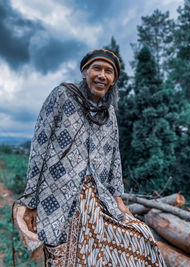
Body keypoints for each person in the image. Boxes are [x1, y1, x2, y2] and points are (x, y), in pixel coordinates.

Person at [16, 49, 166, 266]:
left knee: (141, 238)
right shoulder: (62, 95)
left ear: (113, 80)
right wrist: (30, 200)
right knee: (62, 257)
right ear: (85, 72)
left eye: (108, 71)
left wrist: (118, 201)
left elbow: (115, 158)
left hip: (97, 196)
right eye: (97, 68)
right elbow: (39, 146)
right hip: (57, 196)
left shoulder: (109, 113)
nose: (102, 75)